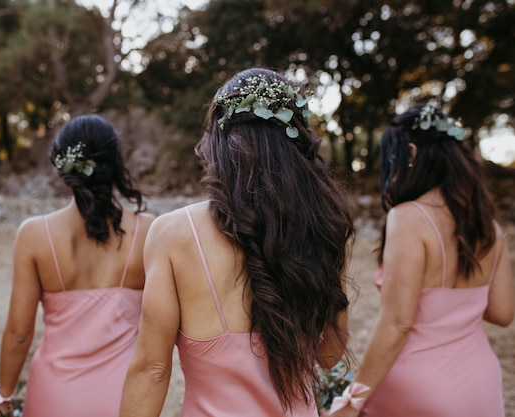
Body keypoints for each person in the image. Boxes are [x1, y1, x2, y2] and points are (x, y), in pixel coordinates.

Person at [120, 68, 355, 416]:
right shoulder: (323, 227)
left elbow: (153, 370)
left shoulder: (172, 233)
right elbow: (330, 355)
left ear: (218, 141)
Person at [328, 104, 515, 417]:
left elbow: (397, 323)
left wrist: (352, 400)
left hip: (419, 389)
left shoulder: (409, 218)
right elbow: (502, 312)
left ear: (411, 152)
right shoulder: (489, 227)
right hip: (481, 384)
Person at [0, 114, 154, 417]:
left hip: (54, 396)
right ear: (115, 162)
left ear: (62, 166)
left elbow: (18, 332)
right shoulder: (148, 231)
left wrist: (4, 395)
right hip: (124, 398)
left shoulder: (34, 234)